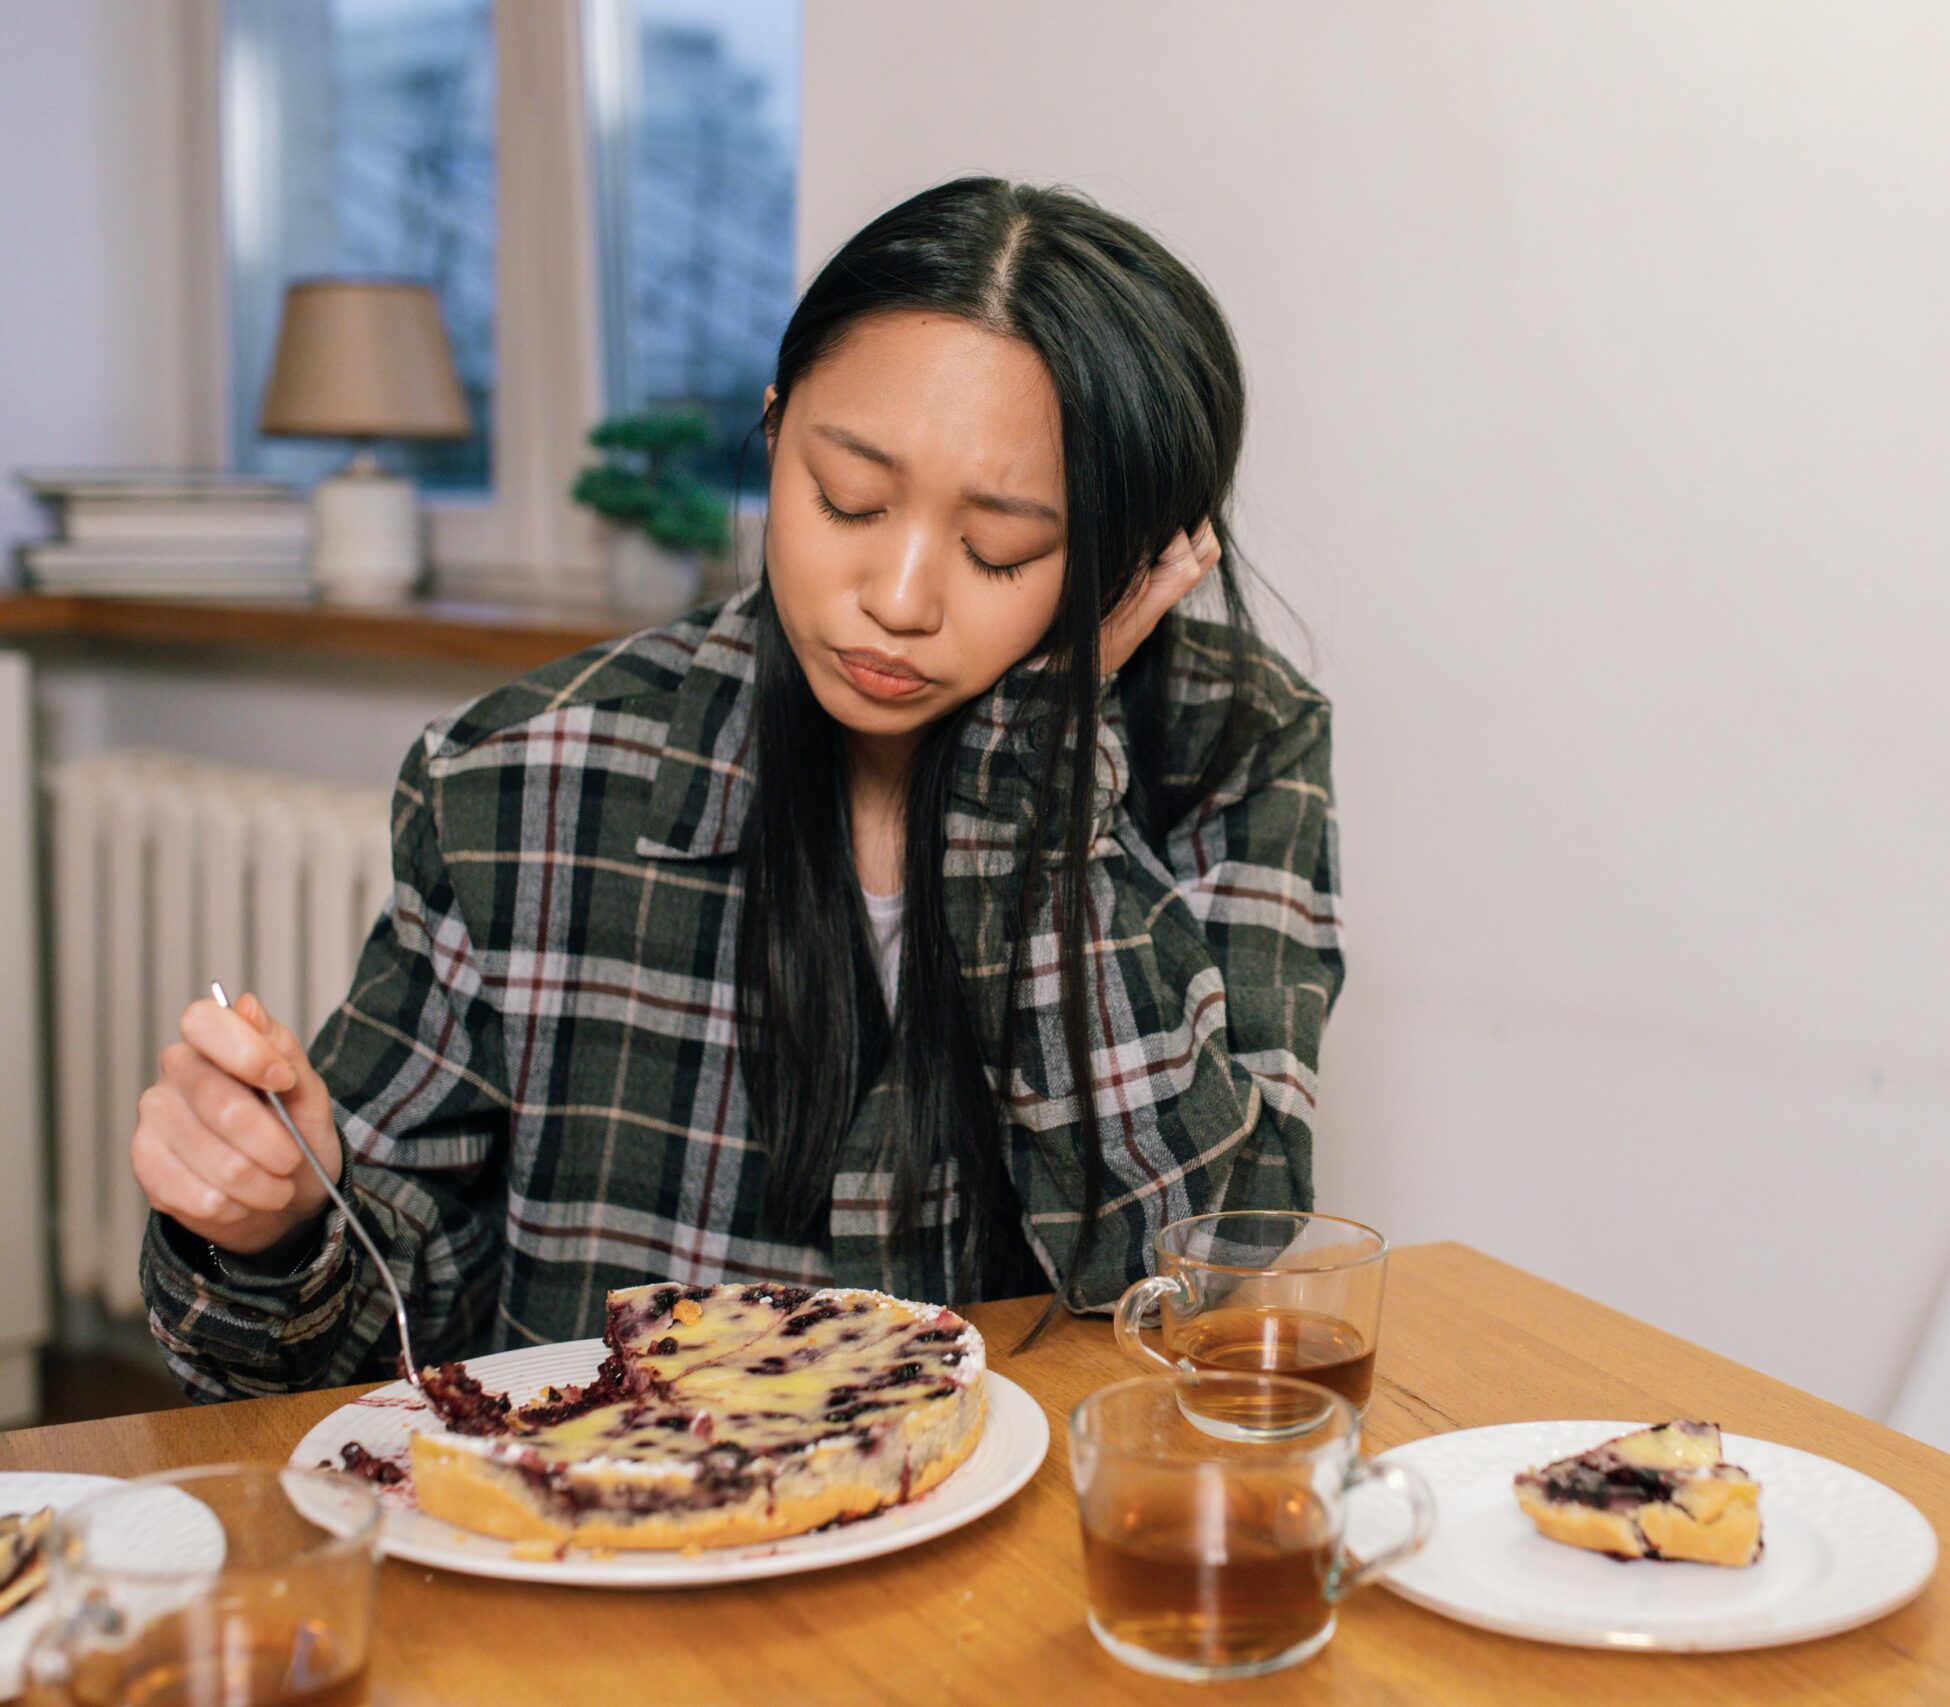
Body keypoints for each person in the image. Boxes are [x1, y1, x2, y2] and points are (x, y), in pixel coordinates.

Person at [129, 177, 1343, 1401]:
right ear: (772, 430)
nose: (901, 599)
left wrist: (1034, 776)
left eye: (1001, 551)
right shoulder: (524, 775)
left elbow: (1221, 1297)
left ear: (1137, 560)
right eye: (847, 499)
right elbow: (367, 1336)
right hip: (621, 1543)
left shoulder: (1231, 746)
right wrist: (273, 1227)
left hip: (1032, 1561)